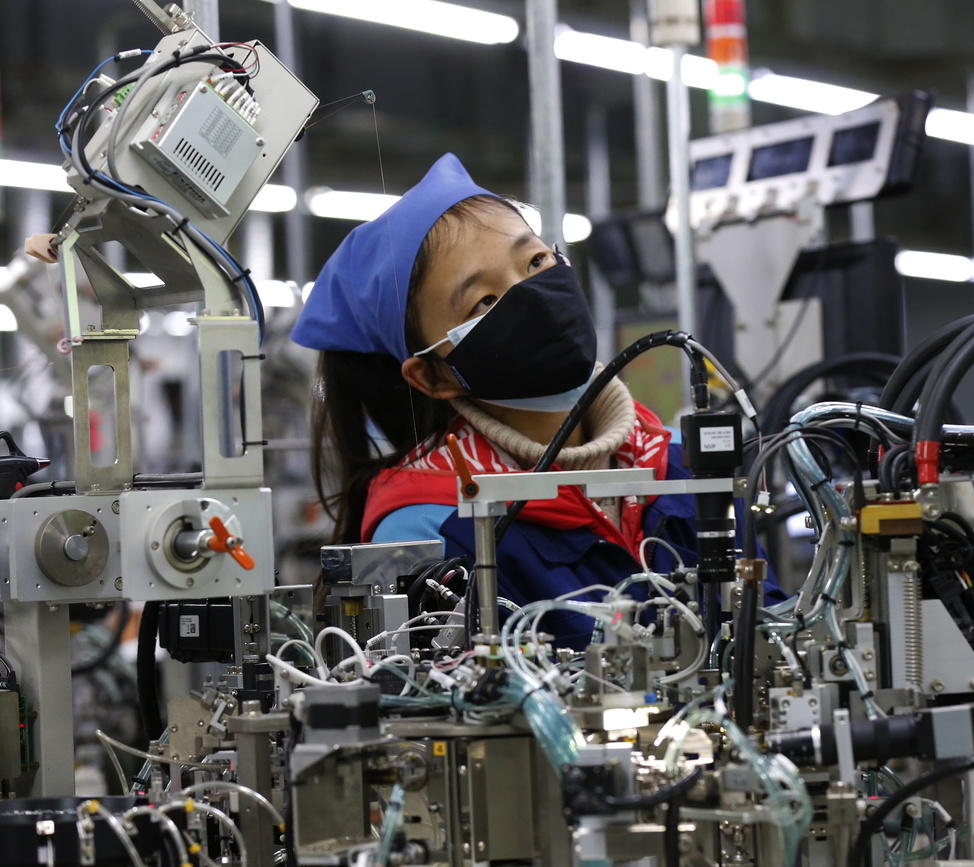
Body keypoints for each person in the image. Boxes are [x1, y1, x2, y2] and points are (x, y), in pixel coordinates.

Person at [293, 154, 776, 648]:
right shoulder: (428, 524)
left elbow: (773, 631)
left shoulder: (681, 463)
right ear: (434, 375)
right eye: (484, 301)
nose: (534, 295)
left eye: (537, 261)